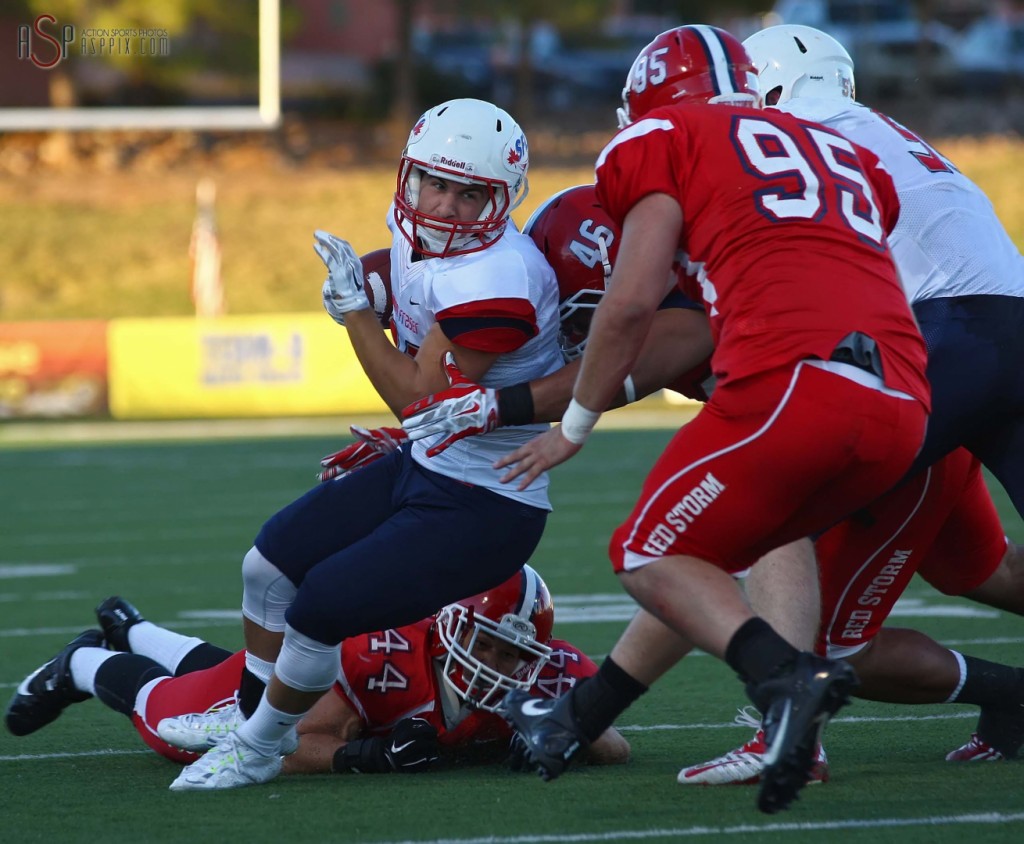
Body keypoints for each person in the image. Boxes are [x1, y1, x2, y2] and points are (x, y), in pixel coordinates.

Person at [403, 183, 1024, 781]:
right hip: (910, 402)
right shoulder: (712, 271)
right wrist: (423, 442)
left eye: (566, 311)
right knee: (986, 573)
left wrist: (488, 412)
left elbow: (609, 370)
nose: (562, 334)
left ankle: (792, 736)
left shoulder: (685, 320)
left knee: (816, 618)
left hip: (882, 428)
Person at [490, 24, 931, 816]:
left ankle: (788, 679)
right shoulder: (837, 148)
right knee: (710, 554)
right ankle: (586, 717)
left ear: (646, 104)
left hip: (794, 377)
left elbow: (627, 306)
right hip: (903, 396)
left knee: (646, 550)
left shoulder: (664, 134)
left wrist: (576, 423)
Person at [163, 97, 565, 791]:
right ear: (409, 176)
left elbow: (414, 398)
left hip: (488, 502)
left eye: (470, 194)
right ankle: (251, 710)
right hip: (431, 468)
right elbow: (401, 280)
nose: (444, 206)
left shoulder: (500, 278)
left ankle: (259, 748)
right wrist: (372, 288)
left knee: (323, 605)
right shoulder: (433, 244)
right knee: (269, 565)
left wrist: (356, 313)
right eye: (433, 183)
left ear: (502, 200)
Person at [669, 22, 1024, 783]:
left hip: (943, 336)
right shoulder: (879, 129)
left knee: (773, 492)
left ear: (764, 92)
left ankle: (789, 734)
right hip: (1007, 323)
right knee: (981, 570)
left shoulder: (795, 142)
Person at [4, 572, 630, 774]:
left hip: (300, 660)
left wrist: (559, 732)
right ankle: (81, 663)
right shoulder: (386, 656)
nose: (497, 665)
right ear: (452, 627)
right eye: (486, 644)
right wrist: (365, 758)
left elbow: (615, 744)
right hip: (301, 684)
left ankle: (133, 628)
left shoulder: (546, 675)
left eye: (515, 654)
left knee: (224, 670)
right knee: (175, 725)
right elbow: (292, 740)